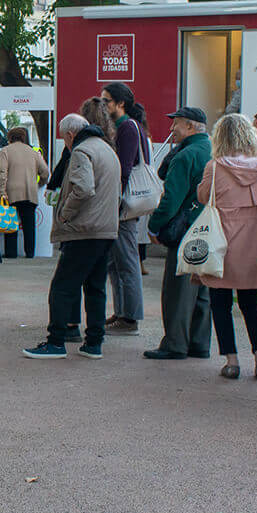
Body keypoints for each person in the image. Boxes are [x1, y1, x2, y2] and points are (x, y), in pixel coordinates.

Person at [23, 113, 118, 359]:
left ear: (70, 134)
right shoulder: (107, 149)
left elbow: (84, 188)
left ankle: (55, 341)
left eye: (63, 138)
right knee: (95, 287)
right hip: (105, 229)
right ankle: (94, 343)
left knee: (62, 287)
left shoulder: (81, 151)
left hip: (83, 230)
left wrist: (65, 213)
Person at [194, 114, 257, 380]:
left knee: (220, 301)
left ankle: (232, 361)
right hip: (256, 239)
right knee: (251, 302)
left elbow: (203, 196)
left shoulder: (215, 166)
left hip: (224, 239)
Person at [143, 108, 212, 361]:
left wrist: (154, 225)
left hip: (184, 228)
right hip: (208, 227)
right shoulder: (212, 150)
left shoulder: (186, 156)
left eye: (177, 125)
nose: (172, 130)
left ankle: (175, 343)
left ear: (191, 127)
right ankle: (198, 343)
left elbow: (171, 198)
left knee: (178, 290)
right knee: (202, 288)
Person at [97, 83, 150, 333]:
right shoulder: (126, 126)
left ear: (121, 104)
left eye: (106, 101)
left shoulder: (127, 128)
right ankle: (121, 312)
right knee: (115, 262)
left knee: (126, 261)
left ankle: (129, 317)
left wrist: (113, 202)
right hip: (120, 205)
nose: (103, 105)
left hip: (123, 206)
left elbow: (124, 170)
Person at [0, 125, 47, 260]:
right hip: (30, 192)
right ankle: (30, 252)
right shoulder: (33, 152)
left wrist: (2, 190)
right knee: (29, 224)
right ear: (24, 137)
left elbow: (2, 172)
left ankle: (11, 253)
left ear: (10, 138)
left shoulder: (5, 151)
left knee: (10, 223)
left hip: (11, 192)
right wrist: (39, 183)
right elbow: (45, 172)